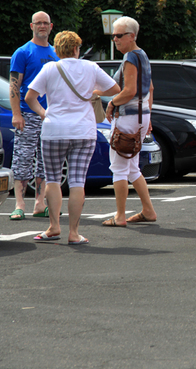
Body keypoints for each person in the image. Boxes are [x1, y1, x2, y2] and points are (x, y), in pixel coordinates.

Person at [25, 31, 120, 244]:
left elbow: (30, 97)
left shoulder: (50, 68)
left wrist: (44, 113)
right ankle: (74, 233)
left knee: (53, 179)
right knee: (77, 181)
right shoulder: (90, 67)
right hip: (83, 132)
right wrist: (92, 92)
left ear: (57, 50)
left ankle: (53, 227)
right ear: (77, 49)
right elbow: (115, 88)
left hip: (54, 131)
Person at [102, 16, 157, 227]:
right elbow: (149, 89)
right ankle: (148, 210)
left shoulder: (130, 58)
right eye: (113, 35)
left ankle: (120, 216)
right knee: (132, 166)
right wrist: (148, 115)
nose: (115, 39)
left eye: (118, 35)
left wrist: (111, 103)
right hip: (142, 116)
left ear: (131, 36)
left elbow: (129, 91)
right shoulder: (142, 55)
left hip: (128, 117)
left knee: (118, 167)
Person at [8, 11, 58, 221]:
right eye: (38, 23)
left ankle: (40, 203)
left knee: (46, 161)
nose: (42, 26)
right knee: (22, 159)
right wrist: (16, 114)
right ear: (31, 26)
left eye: (45, 23)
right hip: (28, 115)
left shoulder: (57, 53)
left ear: (51, 26)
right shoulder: (22, 52)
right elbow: (14, 85)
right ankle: (19, 204)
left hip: (50, 116)